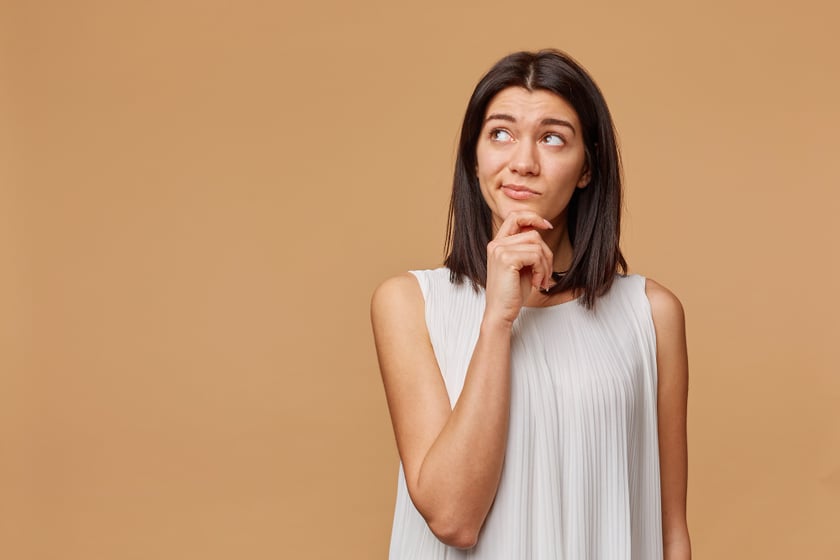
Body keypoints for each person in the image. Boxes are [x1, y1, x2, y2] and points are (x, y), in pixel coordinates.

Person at [371, 49, 690, 559]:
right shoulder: (410, 304)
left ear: (587, 168)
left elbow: (670, 534)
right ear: (474, 158)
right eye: (500, 133)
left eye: (552, 138)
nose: (523, 161)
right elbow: (453, 517)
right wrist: (498, 320)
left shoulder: (651, 315)